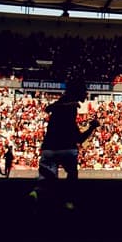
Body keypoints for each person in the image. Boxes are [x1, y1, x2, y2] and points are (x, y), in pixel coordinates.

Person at [28, 78, 99, 210]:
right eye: (84, 91)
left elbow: (49, 108)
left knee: (45, 179)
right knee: (72, 174)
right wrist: (92, 127)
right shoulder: (70, 108)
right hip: (66, 148)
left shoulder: (60, 104)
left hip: (48, 147)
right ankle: (69, 200)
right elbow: (79, 138)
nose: (86, 93)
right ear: (77, 91)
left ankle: (35, 194)